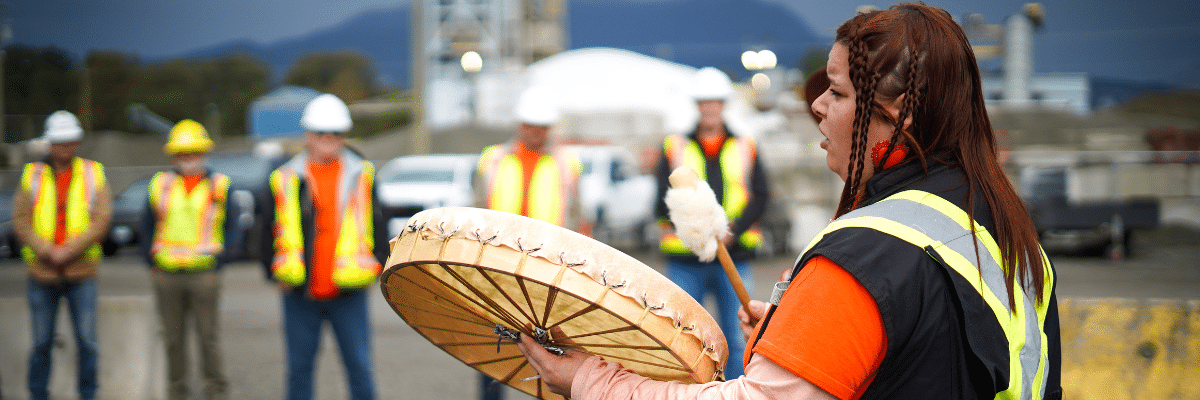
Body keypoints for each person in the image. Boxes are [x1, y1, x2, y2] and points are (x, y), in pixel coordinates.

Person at [516, 4, 1062, 400]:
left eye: (839, 92)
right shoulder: (1006, 231)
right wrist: (798, 339)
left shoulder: (866, 256)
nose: (817, 106)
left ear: (901, 114)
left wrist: (591, 379)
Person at [260, 93, 388, 400]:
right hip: (300, 293)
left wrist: (376, 267)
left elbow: (379, 225)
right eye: (321, 133)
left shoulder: (362, 175)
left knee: (360, 370)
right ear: (308, 135)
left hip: (349, 293)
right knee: (299, 372)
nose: (328, 139)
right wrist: (273, 273)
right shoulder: (285, 178)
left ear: (345, 135)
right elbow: (265, 229)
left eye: (336, 133)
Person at [653, 66, 770, 379]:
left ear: (723, 104)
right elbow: (661, 201)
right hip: (685, 258)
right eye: (704, 102)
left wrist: (732, 230)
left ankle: (737, 392)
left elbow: (761, 195)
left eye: (715, 101)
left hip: (734, 255)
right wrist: (694, 231)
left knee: (737, 336)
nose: (710, 108)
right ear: (697, 105)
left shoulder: (745, 144)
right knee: (683, 337)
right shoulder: (674, 145)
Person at [472, 85, 587, 400]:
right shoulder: (492, 159)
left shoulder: (567, 163)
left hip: (549, 270)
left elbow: (578, 216)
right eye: (531, 124)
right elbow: (476, 211)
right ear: (520, 124)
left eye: (542, 126)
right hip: (499, 268)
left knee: (556, 354)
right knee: (493, 351)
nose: (536, 131)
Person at [13, 110, 112, 400]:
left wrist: (70, 250)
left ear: (78, 142)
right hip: (41, 273)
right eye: (59, 141)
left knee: (88, 342)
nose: (65, 146)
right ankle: (38, 394)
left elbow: (102, 218)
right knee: (41, 342)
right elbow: (21, 220)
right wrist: (47, 251)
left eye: (70, 140)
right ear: (50, 143)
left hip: (82, 272)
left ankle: (88, 394)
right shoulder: (31, 175)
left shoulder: (93, 172)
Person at [140, 120, 242, 400]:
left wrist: (223, 260)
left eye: (194, 153)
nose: (188, 159)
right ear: (174, 155)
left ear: (204, 153)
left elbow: (234, 225)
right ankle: (176, 390)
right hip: (167, 273)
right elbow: (146, 226)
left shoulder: (220, 185)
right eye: (182, 154)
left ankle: (216, 389)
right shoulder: (160, 185)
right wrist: (152, 262)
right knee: (172, 338)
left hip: (205, 273)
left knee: (208, 336)